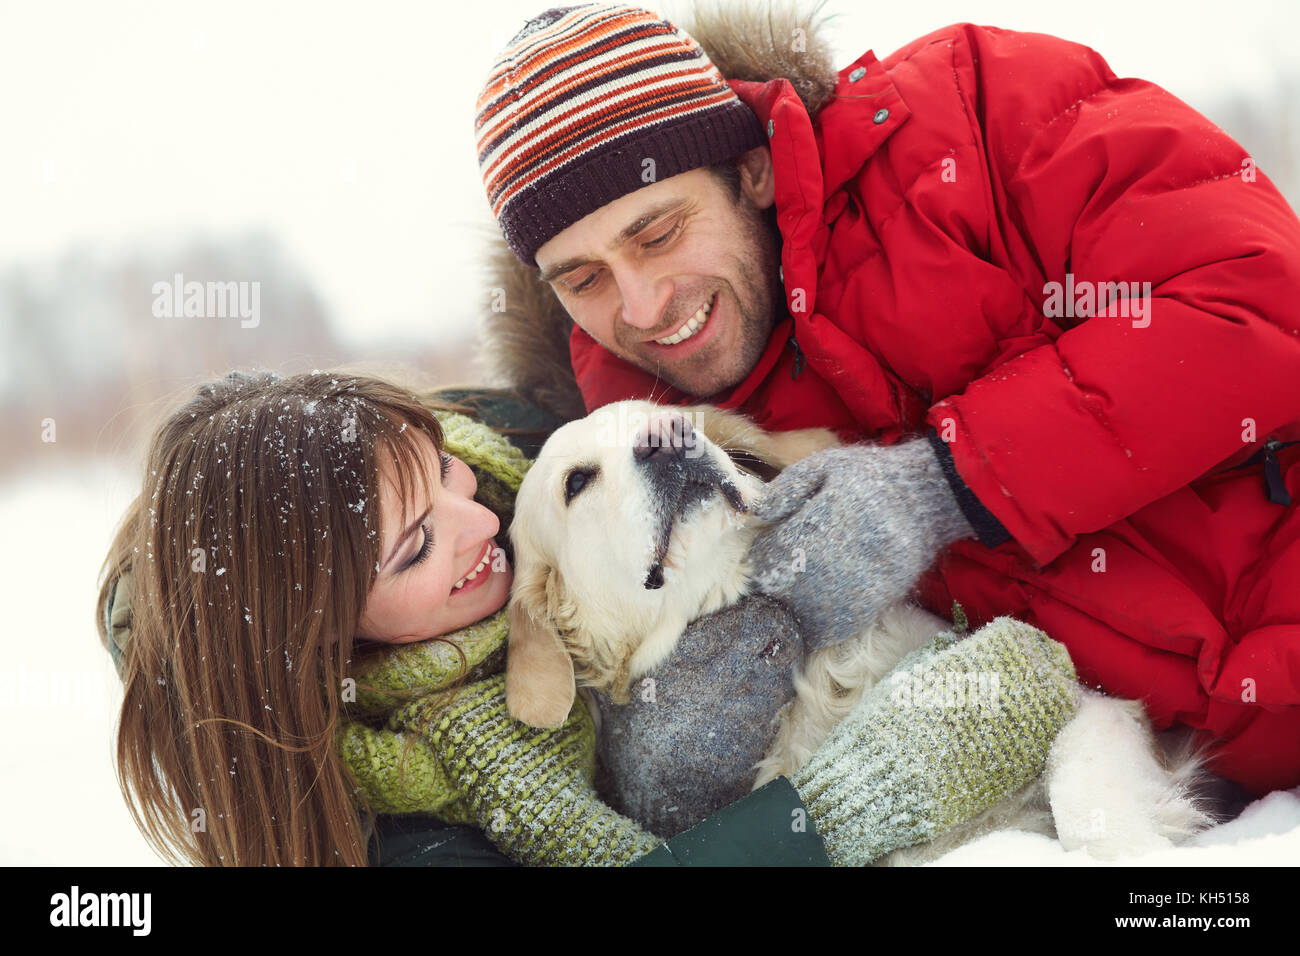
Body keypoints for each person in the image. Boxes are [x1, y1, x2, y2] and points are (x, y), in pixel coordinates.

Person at [473, 2, 1300, 796]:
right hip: (1196, 787)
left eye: (658, 235)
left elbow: (1257, 302)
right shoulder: (633, 461)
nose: (644, 306)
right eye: (584, 281)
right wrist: (668, 751)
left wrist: (947, 481)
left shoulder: (978, 110)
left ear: (750, 169)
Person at [97, 369, 1080, 866]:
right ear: (327, 642)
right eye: (412, 548)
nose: (480, 518)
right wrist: (848, 801)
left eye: (446, 470)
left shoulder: (505, 452)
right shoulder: (396, 829)